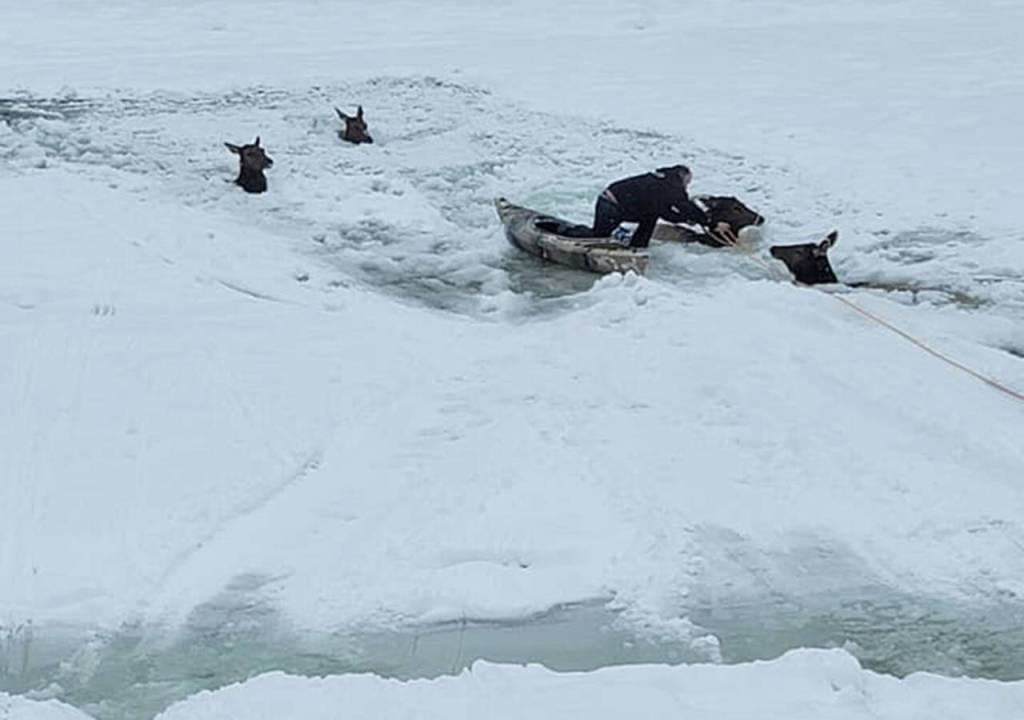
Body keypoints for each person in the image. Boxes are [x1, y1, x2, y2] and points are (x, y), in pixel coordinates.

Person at [592, 165, 710, 248]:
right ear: (682, 175)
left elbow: (664, 212)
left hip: (616, 204)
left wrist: (685, 219)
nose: (686, 187)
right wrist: (708, 221)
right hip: (611, 204)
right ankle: (573, 230)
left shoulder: (662, 181)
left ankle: (638, 246)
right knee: (596, 237)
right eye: (687, 182)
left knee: (650, 216)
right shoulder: (671, 183)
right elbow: (684, 205)